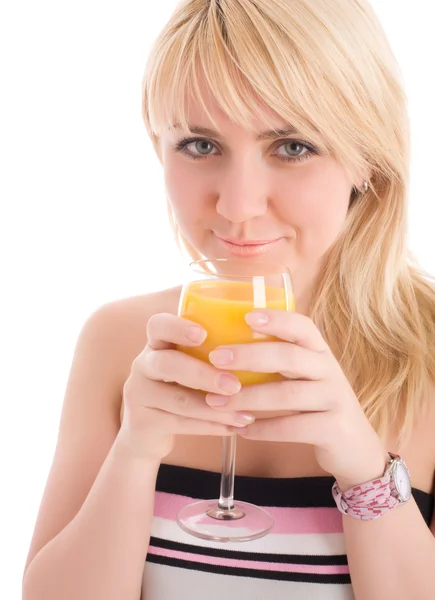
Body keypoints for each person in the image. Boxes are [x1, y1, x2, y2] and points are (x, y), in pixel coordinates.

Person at [22, 0, 435, 598]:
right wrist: (135, 454)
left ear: (368, 159)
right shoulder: (118, 341)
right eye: (199, 144)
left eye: (292, 146)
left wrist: (364, 468)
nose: (238, 206)